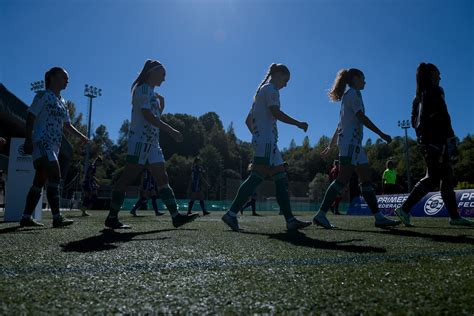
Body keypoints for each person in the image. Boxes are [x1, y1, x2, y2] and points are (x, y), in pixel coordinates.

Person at [105, 59, 198, 229]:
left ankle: (176, 216)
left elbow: (153, 116)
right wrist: (171, 130)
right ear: (152, 73)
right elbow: (147, 115)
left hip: (152, 142)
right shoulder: (143, 89)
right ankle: (112, 217)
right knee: (127, 177)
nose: (164, 79)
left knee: (163, 177)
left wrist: (162, 107)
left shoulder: (151, 93)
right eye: (162, 75)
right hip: (140, 140)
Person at [222, 63, 312, 231]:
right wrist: (298, 123)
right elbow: (276, 113)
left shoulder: (260, 92)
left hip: (267, 142)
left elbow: (248, 120)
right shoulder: (271, 90)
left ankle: (290, 220)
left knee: (280, 178)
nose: (286, 84)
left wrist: (257, 135)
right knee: (256, 178)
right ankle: (231, 214)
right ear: (278, 74)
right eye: (286, 80)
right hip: (266, 142)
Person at [314, 68, 400, 229]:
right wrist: (381, 133)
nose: (365, 81)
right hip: (350, 144)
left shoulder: (348, 96)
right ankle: (320, 214)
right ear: (355, 78)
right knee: (342, 179)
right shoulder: (354, 94)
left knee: (366, 179)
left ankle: (378, 217)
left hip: (354, 145)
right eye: (363, 78)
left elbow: (340, 124)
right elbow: (361, 117)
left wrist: (331, 145)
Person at [394, 63, 473, 227]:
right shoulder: (437, 91)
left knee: (446, 175)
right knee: (434, 177)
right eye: (438, 74)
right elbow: (444, 115)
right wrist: (450, 136)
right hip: (438, 141)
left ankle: (454, 216)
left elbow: (413, 121)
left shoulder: (417, 97)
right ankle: (404, 208)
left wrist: (422, 139)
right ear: (431, 75)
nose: (440, 77)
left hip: (426, 141)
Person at [20, 67, 89, 227]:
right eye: (64, 77)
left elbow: (68, 125)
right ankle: (57, 217)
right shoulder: (42, 95)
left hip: (54, 146)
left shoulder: (63, 102)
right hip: (43, 142)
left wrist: (82, 137)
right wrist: (28, 140)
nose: (67, 80)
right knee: (55, 175)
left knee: (39, 180)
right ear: (52, 77)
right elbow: (31, 116)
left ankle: (25, 217)